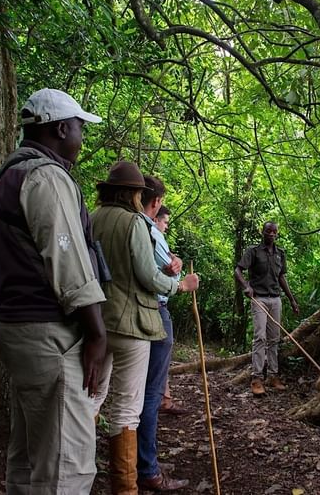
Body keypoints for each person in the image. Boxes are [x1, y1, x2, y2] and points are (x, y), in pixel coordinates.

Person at [0, 88, 107, 494]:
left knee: (28, 456)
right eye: (78, 128)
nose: (81, 137)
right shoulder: (45, 176)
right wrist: (96, 333)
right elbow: (68, 263)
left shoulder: (12, 172)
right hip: (48, 334)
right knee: (65, 467)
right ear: (60, 128)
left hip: (16, 328)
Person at [91, 162, 199, 494]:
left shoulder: (92, 218)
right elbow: (147, 276)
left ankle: (79, 469)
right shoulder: (134, 222)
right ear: (136, 194)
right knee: (127, 405)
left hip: (94, 320)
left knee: (93, 397)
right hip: (132, 323)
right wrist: (179, 285)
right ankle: (126, 487)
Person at [136, 177, 187, 491]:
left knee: (138, 392)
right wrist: (180, 281)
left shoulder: (109, 220)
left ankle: (143, 461)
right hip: (152, 309)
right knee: (148, 393)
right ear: (154, 203)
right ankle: (146, 468)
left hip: (140, 311)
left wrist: (173, 268)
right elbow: (160, 273)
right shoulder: (144, 229)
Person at [235, 221, 299, 396]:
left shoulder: (280, 253)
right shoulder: (254, 251)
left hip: (275, 299)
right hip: (259, 299)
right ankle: (256, 378)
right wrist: (246, 286)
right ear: (262, 232)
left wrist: (292, 300)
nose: (271, 234)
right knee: (260, 337)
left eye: (274, 232)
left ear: (277, 234)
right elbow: (238, 270)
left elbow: (281, 277)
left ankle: (272, 375)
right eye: (268, 231)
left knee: (274, 339)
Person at [153, 205, 187, 416]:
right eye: (165, 222)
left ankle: (165, 398)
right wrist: (178, 273)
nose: (166, 227)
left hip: (156, 303)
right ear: (156, 218)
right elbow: (172, 272)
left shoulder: (154, 236)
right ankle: (159, 400)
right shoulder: (153, 234)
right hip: (156, 303)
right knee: (160, 354)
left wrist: (176, 263)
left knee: (162, 354)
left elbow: (171, 265)